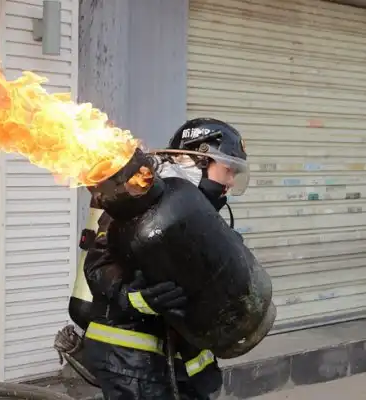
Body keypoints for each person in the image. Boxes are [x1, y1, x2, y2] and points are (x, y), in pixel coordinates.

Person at [74, 117, 250, 400]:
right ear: (198, 162)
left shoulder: (195, 211)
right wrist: (137, 298)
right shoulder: (140, 198)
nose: (230, 183)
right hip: (130, 360)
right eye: (228, 171)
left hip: (175, 364)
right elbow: (97, 266)